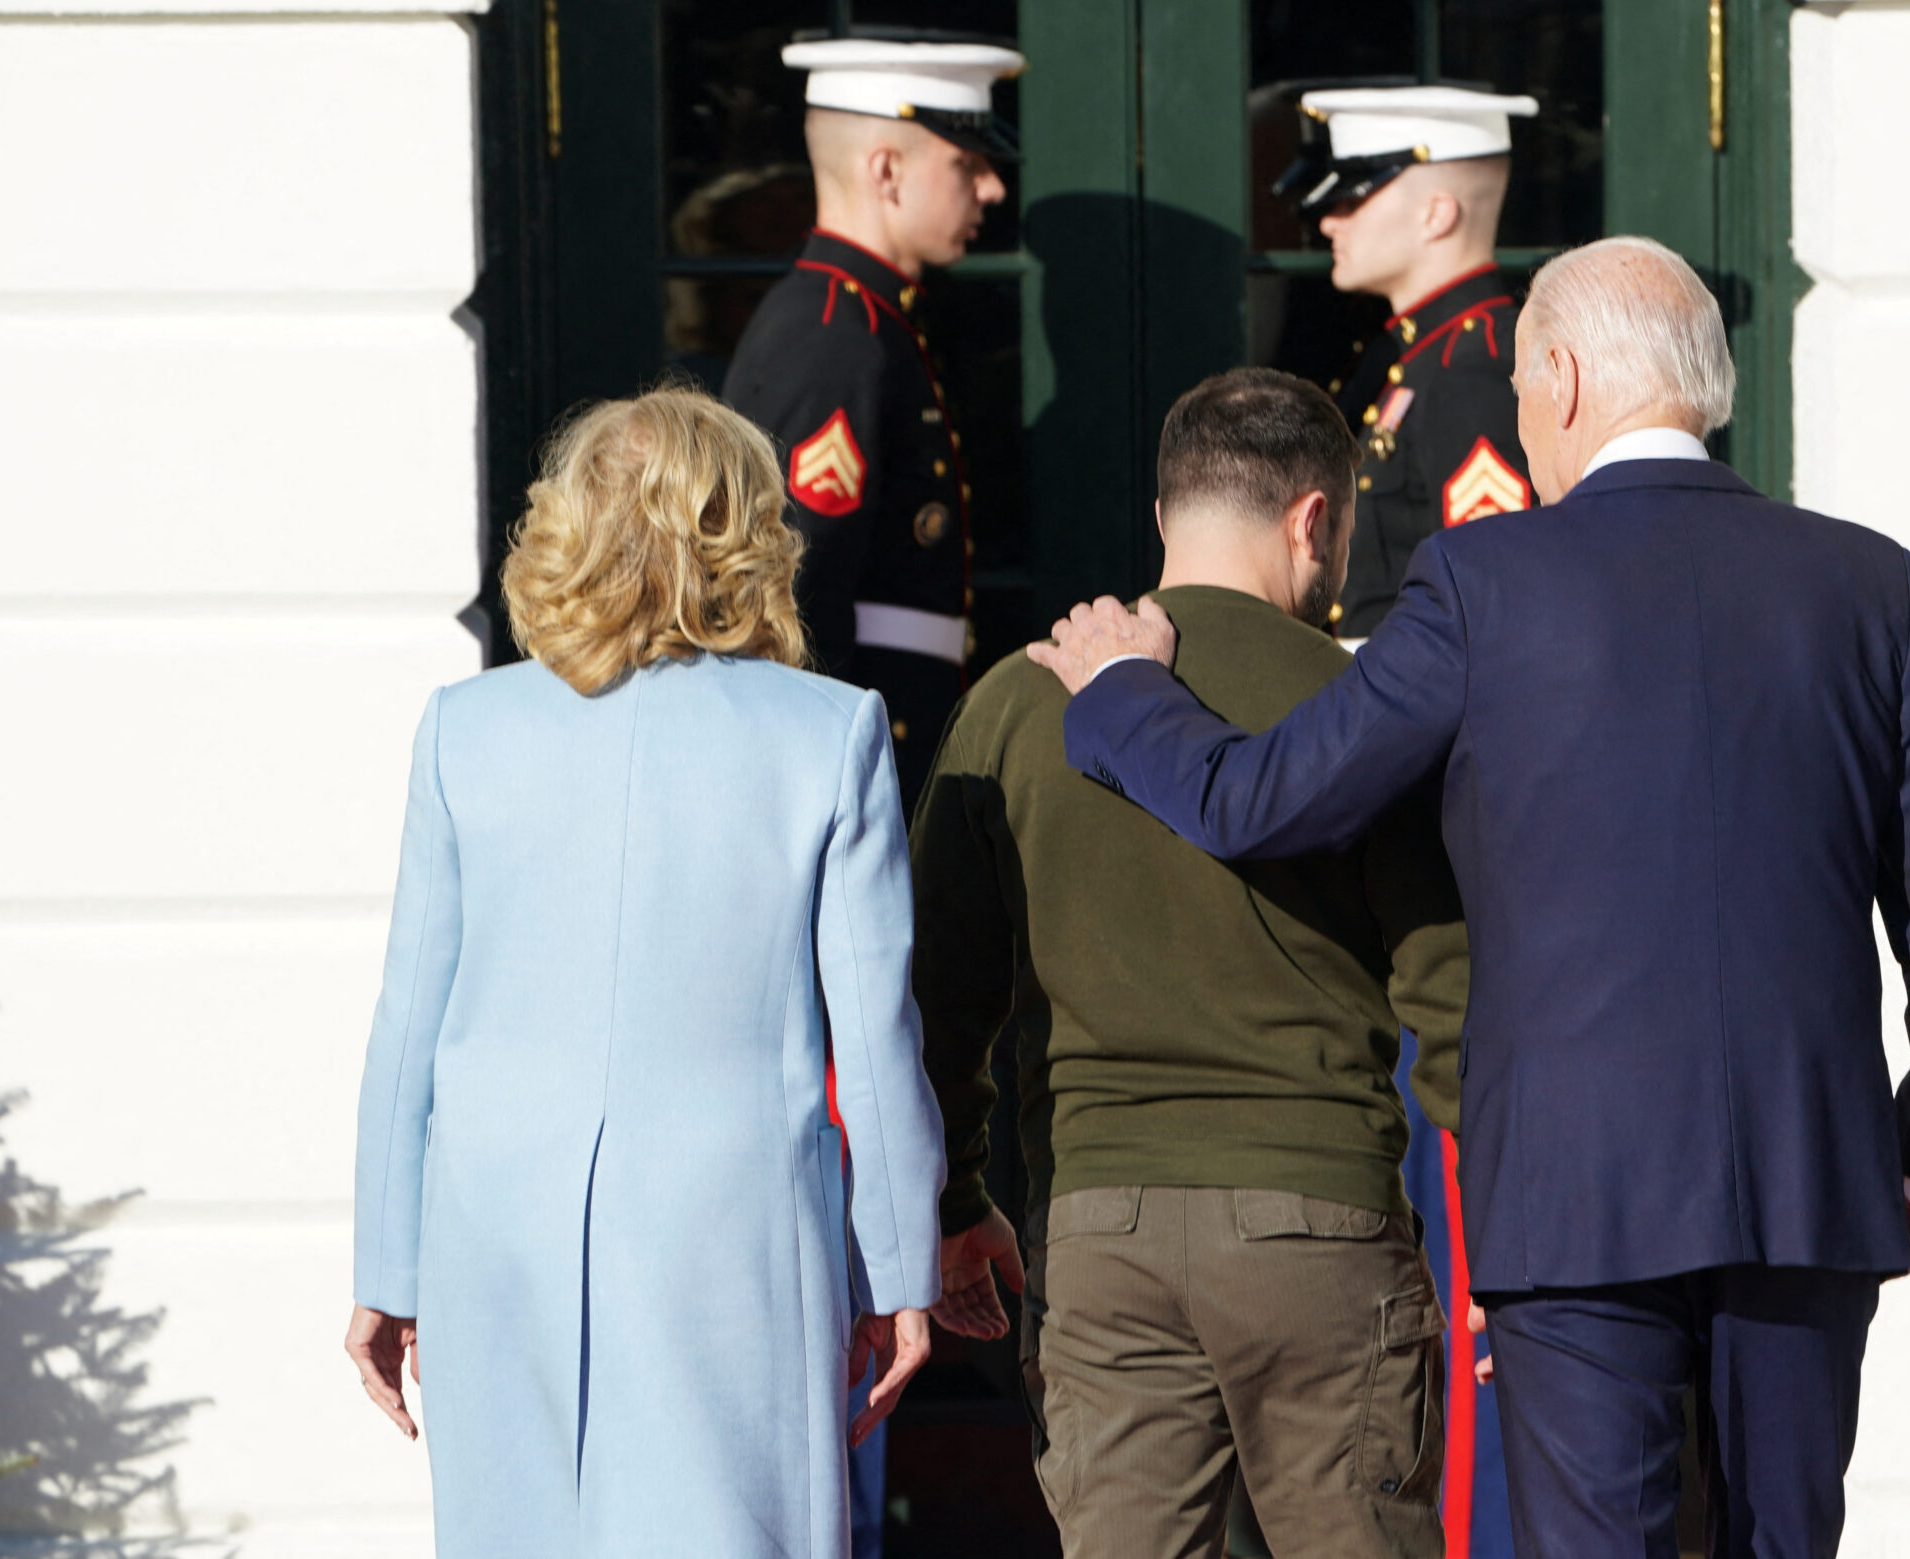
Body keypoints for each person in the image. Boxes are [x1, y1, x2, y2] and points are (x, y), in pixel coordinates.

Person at [1029, 237, 1910, 1559]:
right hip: (1807, 1181)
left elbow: (1265, 801)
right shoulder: (1865, 583)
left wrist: (1126, 692)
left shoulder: (1481, 582)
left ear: (1555, 374)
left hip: (1573, 1192)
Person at [344, 387, 946, 1559]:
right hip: (733, 1222)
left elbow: (408, 1020)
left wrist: (386, 1255)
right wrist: (897, 1259)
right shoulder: (829, 731)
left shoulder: (464, 729)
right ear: (749, 538)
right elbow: (875, 1039)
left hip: (492, 1222)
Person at [913, 368, 1471, 1558]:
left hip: (1097, 1225)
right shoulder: (1359, 706)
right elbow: (1453, 998)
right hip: (1320, 1222)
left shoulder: (1017, 703)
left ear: (1166, 517)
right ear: (1315, 518)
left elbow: (938, 1000)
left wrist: (959, 1197)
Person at [1276, 83, 1540, 1556]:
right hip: (1425, 887)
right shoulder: (1423, 373)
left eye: (1355, 184)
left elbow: (1477, 663)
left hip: (1459, 895)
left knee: (1471, 1296)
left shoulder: (1472, 379)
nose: (1324, 211)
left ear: (1439, 199)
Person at [723, 36, 1021, 811]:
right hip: (856, 761)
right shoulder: (833, 334)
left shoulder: (870, 320)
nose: (991, 188)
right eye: (965, 163)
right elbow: (794, 588)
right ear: (885, 169)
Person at [1277, 84, 1539, 647]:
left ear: (1436, 214)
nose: (1329, 223)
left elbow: (1488, 610)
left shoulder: (1474, 371)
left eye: (1355, 199)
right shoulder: (1404, 355)